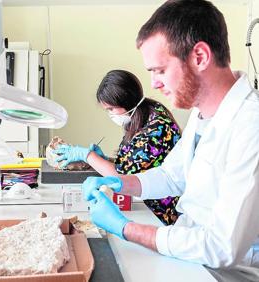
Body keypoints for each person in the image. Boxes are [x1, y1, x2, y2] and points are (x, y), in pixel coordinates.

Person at [82, 0, 259, 281]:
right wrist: (121, 183)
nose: (153, 84)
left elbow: (221, 247)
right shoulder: (204, 113)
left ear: (199, 56)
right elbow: (172, 175)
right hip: (190, 257)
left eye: (160, 70)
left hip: (226, 274)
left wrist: (126, 228)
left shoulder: (250, 126)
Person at [54, 69, 181, 225]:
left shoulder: (157, 129)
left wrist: (88, 156)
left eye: (111, 109)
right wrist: (105, 159)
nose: (110, 115)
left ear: (126, 101)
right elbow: (134, 163)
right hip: (145, 202)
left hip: (163, 214)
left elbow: (121, 178)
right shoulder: (142, 115)